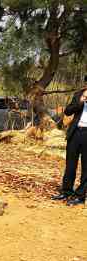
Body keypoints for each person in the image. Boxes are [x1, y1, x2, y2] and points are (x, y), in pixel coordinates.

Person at [52, 76, 87, 206]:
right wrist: (81, 101)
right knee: (70, 164)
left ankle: (80, 196)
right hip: (75, 132)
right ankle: (66, 191)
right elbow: (68, 111)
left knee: (86, 168)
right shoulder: (79, 94)